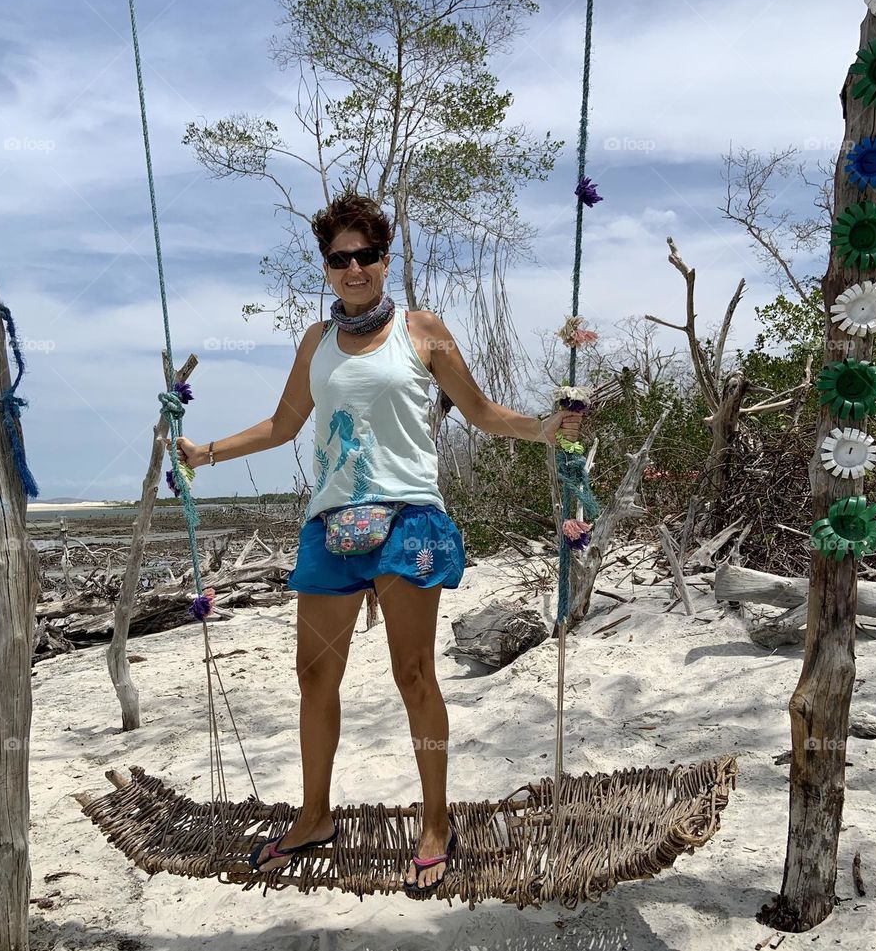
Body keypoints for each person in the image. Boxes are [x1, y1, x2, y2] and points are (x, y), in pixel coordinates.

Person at [168, 191, 582, 897]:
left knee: (414, 674)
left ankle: (435, 820)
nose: (353, 267)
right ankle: (314, 814)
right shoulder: (315, 342)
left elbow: (480, 413)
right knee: (313, 676)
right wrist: (204, 452)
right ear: (326, 267)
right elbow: (283, 425)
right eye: (339, 258)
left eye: (366, 254)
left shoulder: (423, 331)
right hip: (332, 525)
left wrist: (546, 428)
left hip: (408, 520)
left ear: (386, 259)